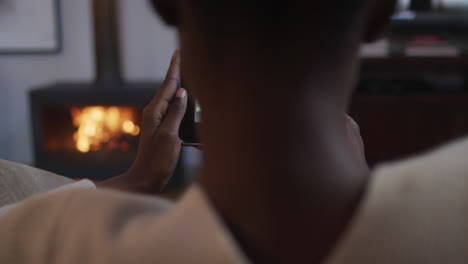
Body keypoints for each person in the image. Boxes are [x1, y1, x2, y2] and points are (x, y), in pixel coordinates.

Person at [1, 0, 468, 263]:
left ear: (164, 6)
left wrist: (136, 178)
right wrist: (365, 187)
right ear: (383, 11)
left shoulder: (47, 238)